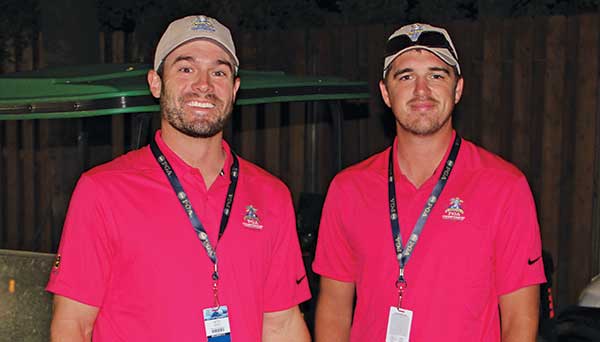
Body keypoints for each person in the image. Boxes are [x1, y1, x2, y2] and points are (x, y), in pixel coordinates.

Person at [47, 15, 311, 342]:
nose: (204, 84)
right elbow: (73, 325)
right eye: (186, 69)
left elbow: (282, 324)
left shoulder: (271, 195)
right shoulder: (102, 190)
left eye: (219, 72)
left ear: (235, 89)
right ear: (155, 83)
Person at [312, 23, 546, 342]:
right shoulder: (348, 188)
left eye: (437, 75)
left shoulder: (505, 186)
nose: (421, 90)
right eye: (406, 77)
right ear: (385, 92)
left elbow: (520, 319)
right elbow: (334, 311)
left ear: (458, 88)